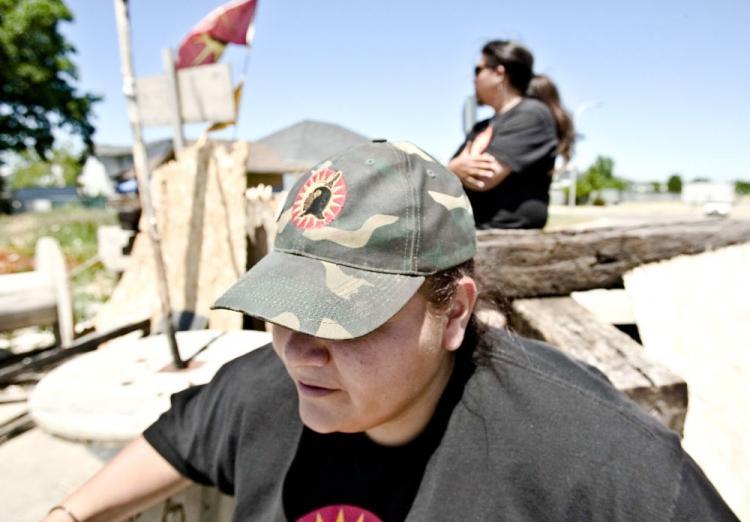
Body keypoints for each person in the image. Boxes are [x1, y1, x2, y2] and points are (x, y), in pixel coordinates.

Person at [44, 140, 737, 522]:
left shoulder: (594, 459)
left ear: (455, 312)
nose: (301, 348)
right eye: (283, 307)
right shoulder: (268, 384)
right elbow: (181, 436)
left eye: (346, 317)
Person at [448, 40, 575, 229]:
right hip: (473, 232)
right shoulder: (480, 127)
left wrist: (451, 170)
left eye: (478, 70)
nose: (473, 79)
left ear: (499, 73)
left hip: (508, 236)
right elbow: (445, 178)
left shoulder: (532, 115)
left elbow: (482, 178)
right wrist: (453, 169)